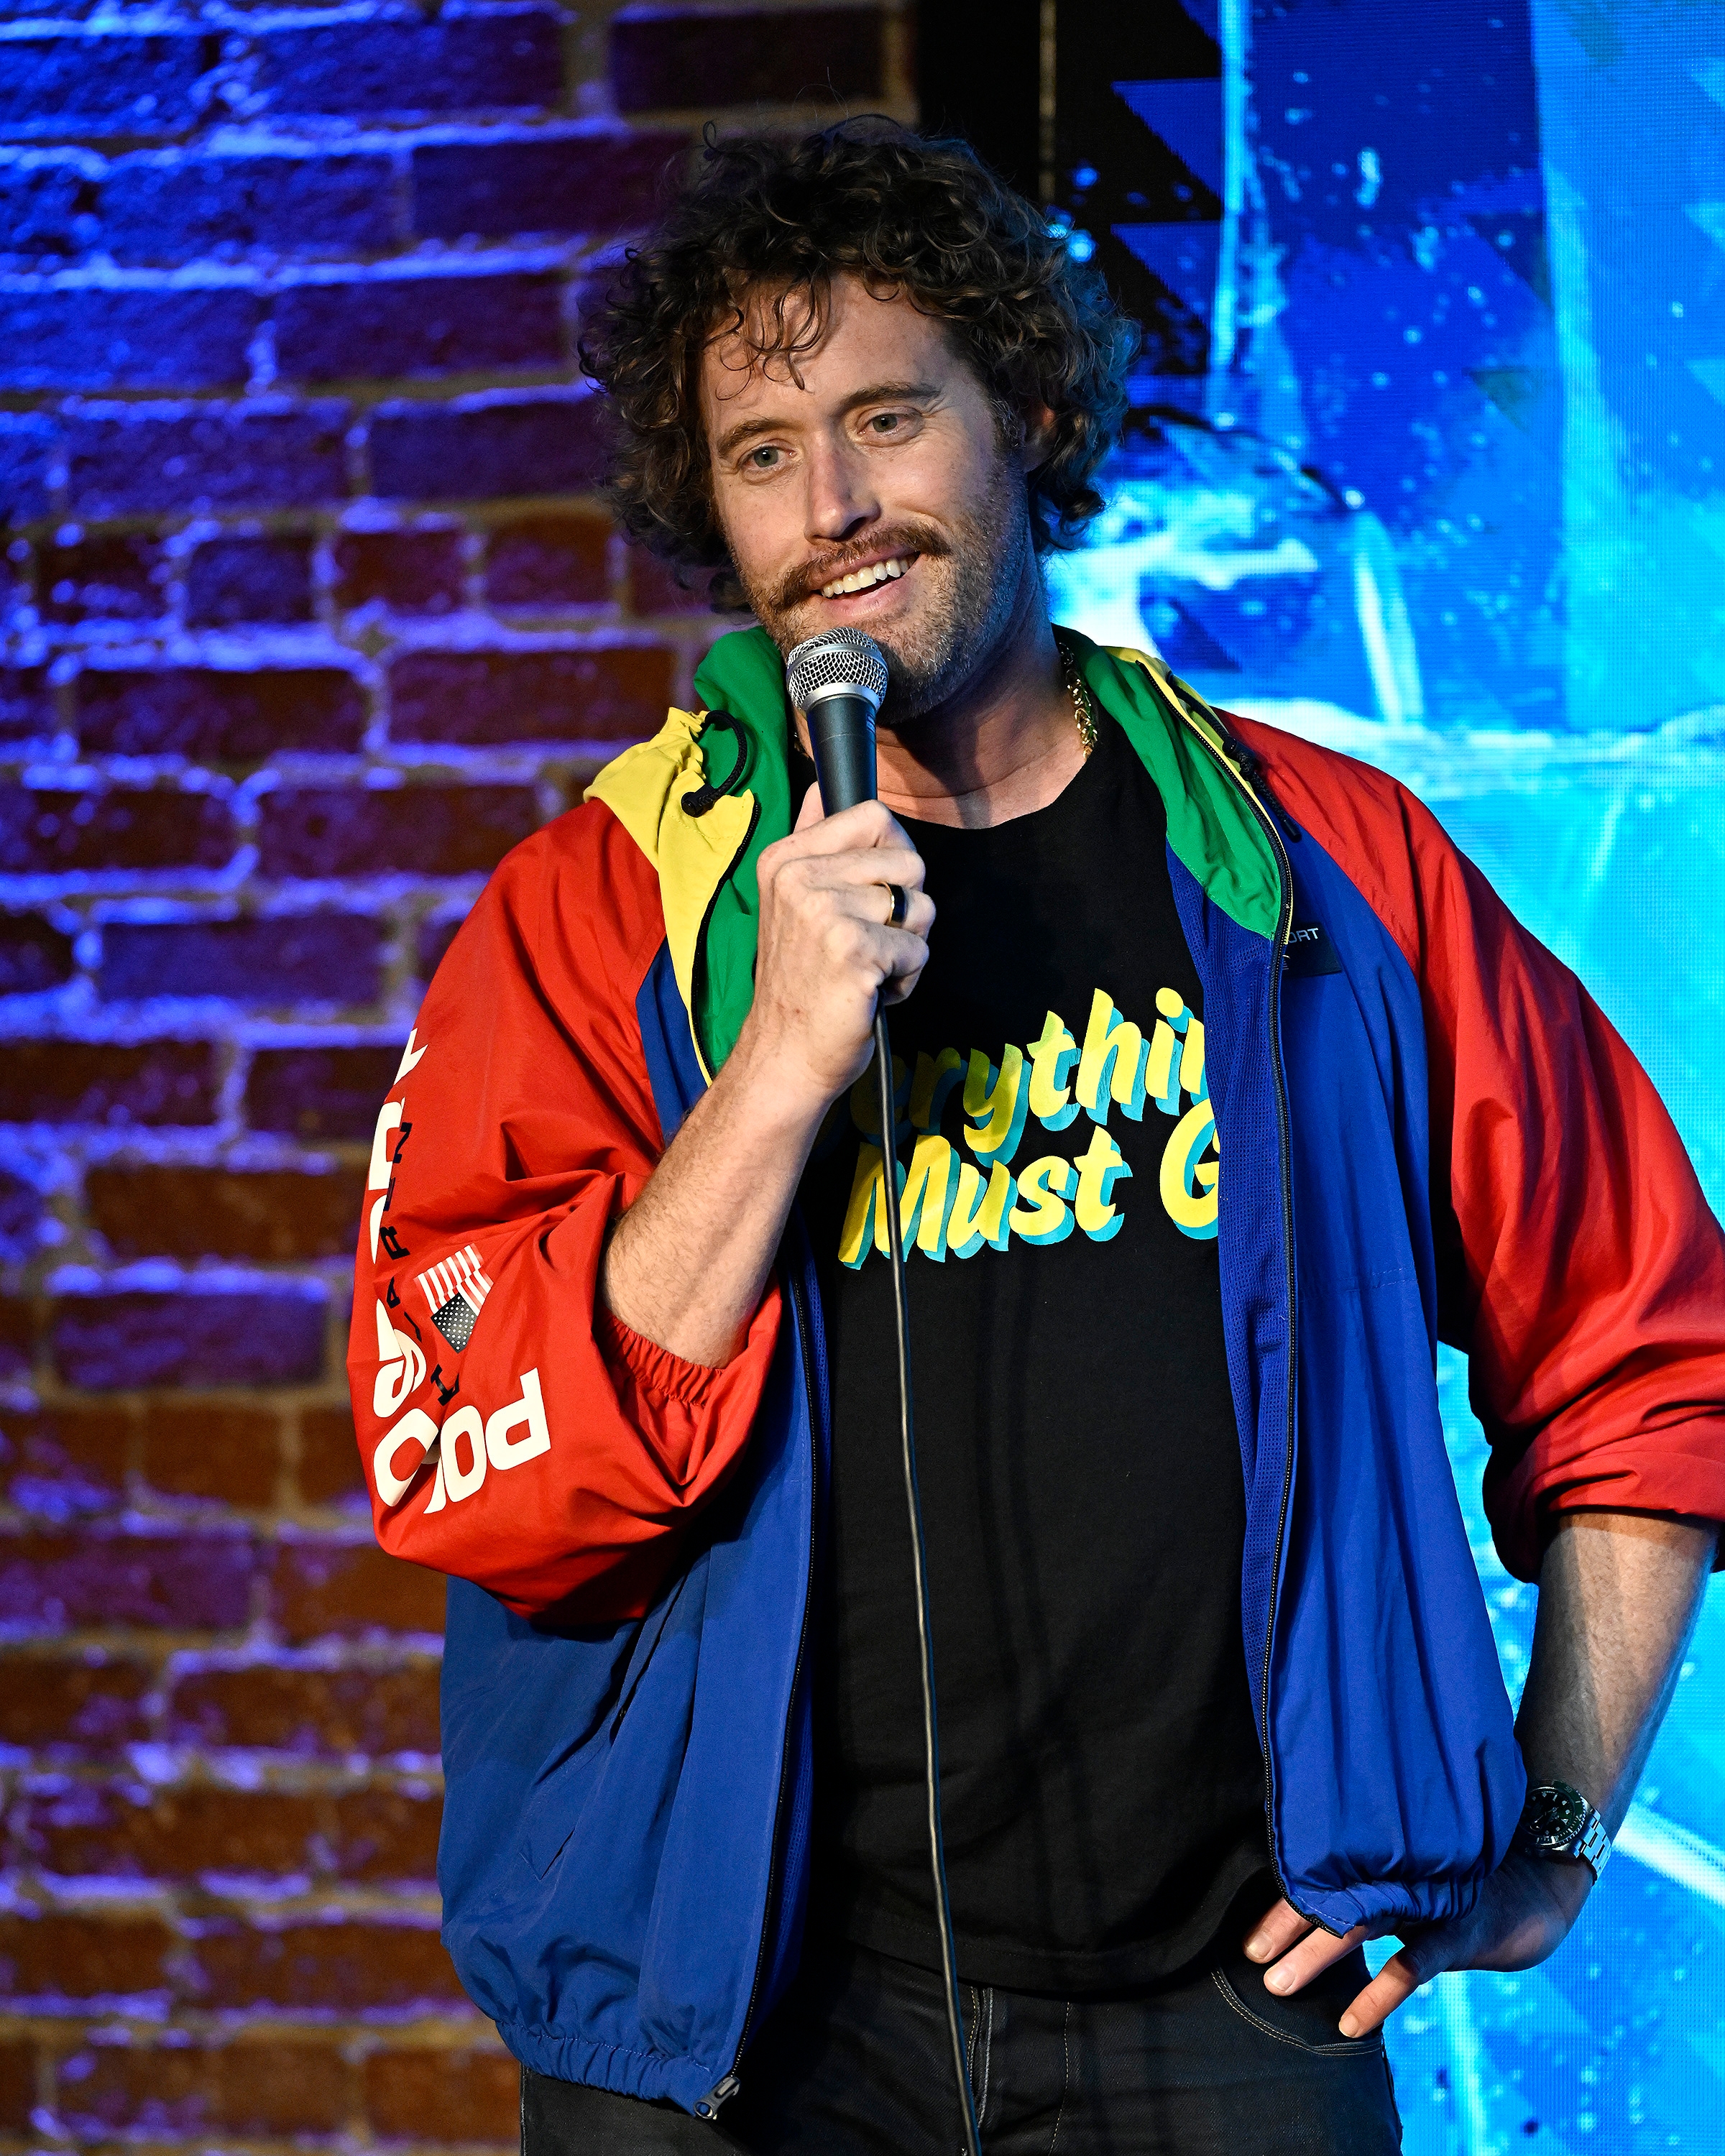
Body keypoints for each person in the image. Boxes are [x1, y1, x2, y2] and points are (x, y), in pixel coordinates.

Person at [347, 122, 1725, 2154]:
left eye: (889, 418)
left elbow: (1642, 1349)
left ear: (1035, 408)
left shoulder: (1327, 877)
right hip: (747, 2035)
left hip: (1232, 2021)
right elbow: (469, 1467)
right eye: (758, 453)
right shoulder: (598, 910)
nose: (832, 508)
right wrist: (780, 1071)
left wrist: (1548, 1831)